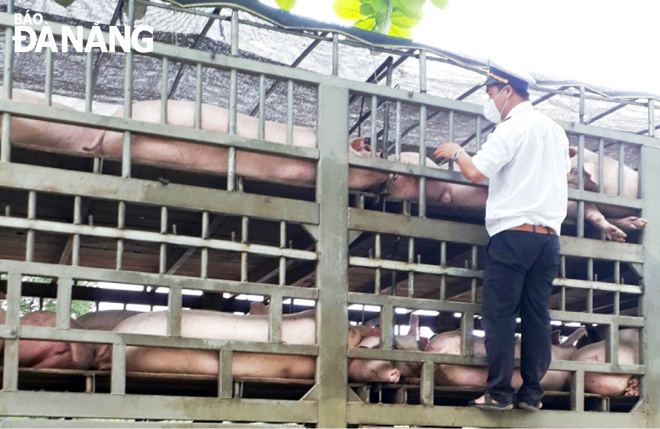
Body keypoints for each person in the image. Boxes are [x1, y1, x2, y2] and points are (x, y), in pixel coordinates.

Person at [433, 60, 570, 412]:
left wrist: (456, 152)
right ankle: (532, 394)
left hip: (513, 236)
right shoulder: (555, 131)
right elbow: (562, 173)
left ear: (507, 90)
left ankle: (498, 393)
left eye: (491, 91)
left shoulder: (511, 129)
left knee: (500, 315)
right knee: (538, 315)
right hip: (548, 239)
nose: (489, 99)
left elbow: (477, 173)